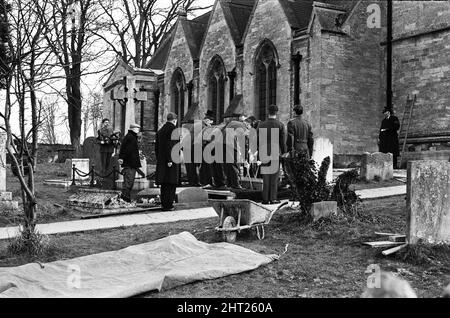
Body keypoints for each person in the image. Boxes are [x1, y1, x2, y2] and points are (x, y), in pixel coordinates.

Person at [258, 105, 286, 204]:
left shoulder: (261, 125)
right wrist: (284, 152)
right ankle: (273, 198)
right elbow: (282, 142)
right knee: (274, 177)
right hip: (275, 151)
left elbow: (258, 140)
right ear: (276, 113)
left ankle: (265, 199)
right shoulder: (280, 125)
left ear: (267, 112)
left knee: (266, 176)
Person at [155, 112, 180, 211]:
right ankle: (169, 205)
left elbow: (157, 147)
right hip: (170, 160)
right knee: (171, 183)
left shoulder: (161, 130)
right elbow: (171, 145)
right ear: (174, 120)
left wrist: (160, 159)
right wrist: (170, 159)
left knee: (164, 184)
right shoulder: (173, 129)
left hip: (161, 160)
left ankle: (164, 204)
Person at [118, 123, 142, 202]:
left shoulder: (130, 136)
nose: (138, 130)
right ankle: (125, 199)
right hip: (130, 164)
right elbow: (128, 151)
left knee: (128, 182)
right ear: (133, 129)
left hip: (129, 164)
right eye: (137, 128)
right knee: (129, 183)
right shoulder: (131, 138)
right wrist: (123, 158)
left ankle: (125, 199)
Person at [223, 113, 248, 189]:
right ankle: (236, 185)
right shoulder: (243, 126)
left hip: (222, 144)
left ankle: (229, 184)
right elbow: (244, 143)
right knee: (234, 165)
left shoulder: (231, 123)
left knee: (228, 165)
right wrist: (245, 157)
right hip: (232, 145)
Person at [199, 110, 215, 187]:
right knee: (207, 166)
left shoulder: (203, 126)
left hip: (203, 147)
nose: (211, 124)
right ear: (207, 120)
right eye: (210, 122)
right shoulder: (204, 127)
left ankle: (204, 181)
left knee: (204, 166)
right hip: (205, 147)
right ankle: (207, 182)